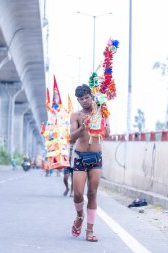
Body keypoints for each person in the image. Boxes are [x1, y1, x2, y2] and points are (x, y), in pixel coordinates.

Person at [70, 84, 110, 242]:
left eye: (87, 97)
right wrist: (83, 128)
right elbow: (72, 137)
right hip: (80, 156)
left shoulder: (101, 112)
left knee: (92, 194)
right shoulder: (76, 116)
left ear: (92, 97)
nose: (85, 101)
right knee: (78, 193)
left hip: (96, 157)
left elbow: (108, 133)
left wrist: (102, 122)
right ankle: (80, 216)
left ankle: (89, 231)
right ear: (78, 100)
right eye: (81, 99)